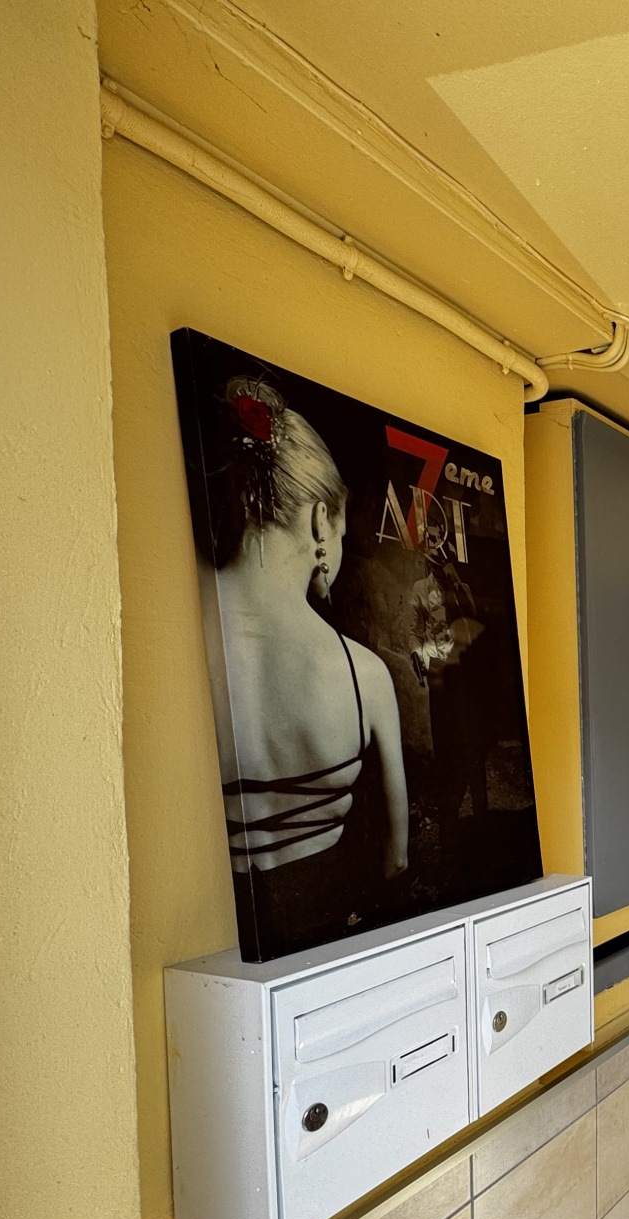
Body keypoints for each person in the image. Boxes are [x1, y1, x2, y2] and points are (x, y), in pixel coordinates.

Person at [200, 376, 408, 957]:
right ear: (321, 521)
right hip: (323, 947)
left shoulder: (176, 626)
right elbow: (395, 859)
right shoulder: (364, 675)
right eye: (340, 529)